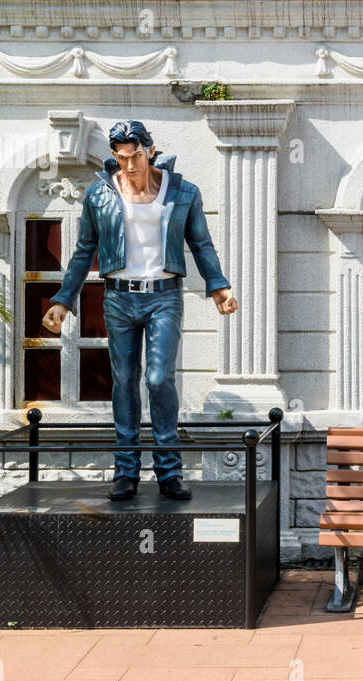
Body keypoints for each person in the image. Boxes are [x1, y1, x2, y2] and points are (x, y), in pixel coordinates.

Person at [42, 120, 237, 501]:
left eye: (135, 156)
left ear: (150, 150)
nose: (129, 165)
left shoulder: (182, 191)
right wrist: (64, 300)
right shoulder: (100, 195)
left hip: (164, 295)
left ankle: (168, 471)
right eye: (121, 158)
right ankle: (126, 471)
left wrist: (218, 286)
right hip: (119, 297)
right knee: (125, 381)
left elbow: (201, 243)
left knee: (160, 378)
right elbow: (85, 251)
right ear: (114, 156)